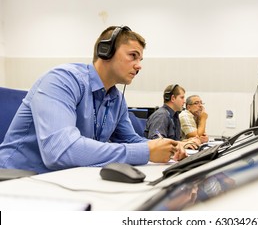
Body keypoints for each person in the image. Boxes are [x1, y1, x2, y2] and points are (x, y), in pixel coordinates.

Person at [0, 26, 186, 174]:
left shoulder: (116, 99)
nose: (139, 66)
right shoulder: (62, 80)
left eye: (140, 59)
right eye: (132, 56)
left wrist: (169, 147)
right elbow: (60, 151)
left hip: (65, 179)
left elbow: (131, 140)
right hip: (18, 181)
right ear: (105, 51)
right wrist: (146, 152)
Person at [144, 84, 200, 149]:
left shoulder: (174, 115)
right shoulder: (161, 115)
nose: (184, 101)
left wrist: (188, 141)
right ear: (173, 98)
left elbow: (174, 141)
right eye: (182, 97)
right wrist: (182, 144)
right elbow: (157, 141)